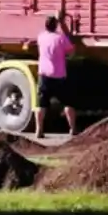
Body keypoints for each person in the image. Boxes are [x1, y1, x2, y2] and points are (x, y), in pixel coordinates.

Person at [35, 9, 76, 138]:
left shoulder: (41, 37)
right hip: (59, 76)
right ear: (56, 25)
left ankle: (39, 130)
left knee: (41, 105)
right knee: (68, 104)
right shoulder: (61, 38)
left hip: (44, 76)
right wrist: (63, 24)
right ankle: (73, 129)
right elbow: (71, 48)